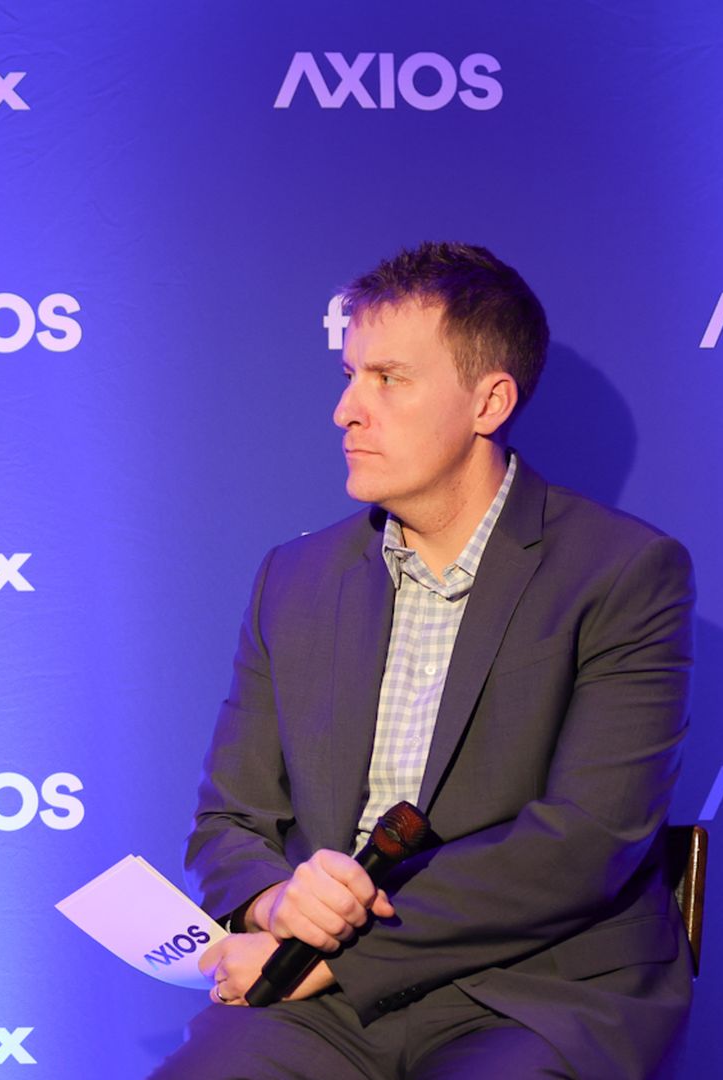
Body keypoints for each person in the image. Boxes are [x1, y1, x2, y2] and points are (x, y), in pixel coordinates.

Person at [152, 244, 694, 1079]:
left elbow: (586, 841)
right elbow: (231, 822)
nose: (345, 409)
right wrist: (276, 900)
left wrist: (333, 956)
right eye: (349, 374)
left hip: (532, 990)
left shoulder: (624, 572)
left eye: (389, 378)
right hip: (318, 1005)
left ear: (489, 400)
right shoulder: (291, 580)